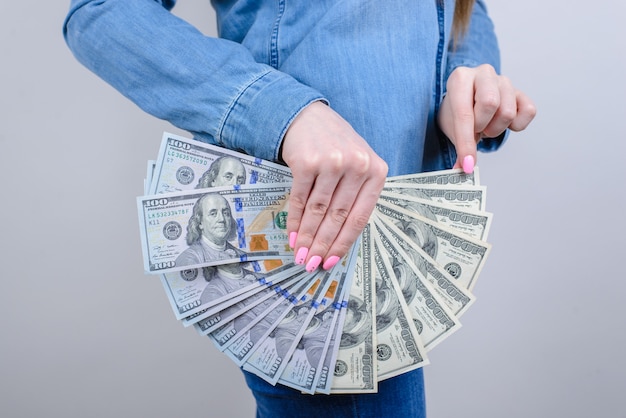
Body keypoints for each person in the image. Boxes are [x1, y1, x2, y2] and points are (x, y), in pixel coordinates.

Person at [64, 1, 536, 416]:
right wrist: (282, 111)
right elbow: (102, 10)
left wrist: (469, 82)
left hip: (400, 251)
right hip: (316, 260)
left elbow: (457, 12)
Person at [175, 193, 244, 267]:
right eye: (213, 214)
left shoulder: (242, 255)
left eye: (226, 213)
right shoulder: (189, 259)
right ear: (200, 222)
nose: (222, 219)